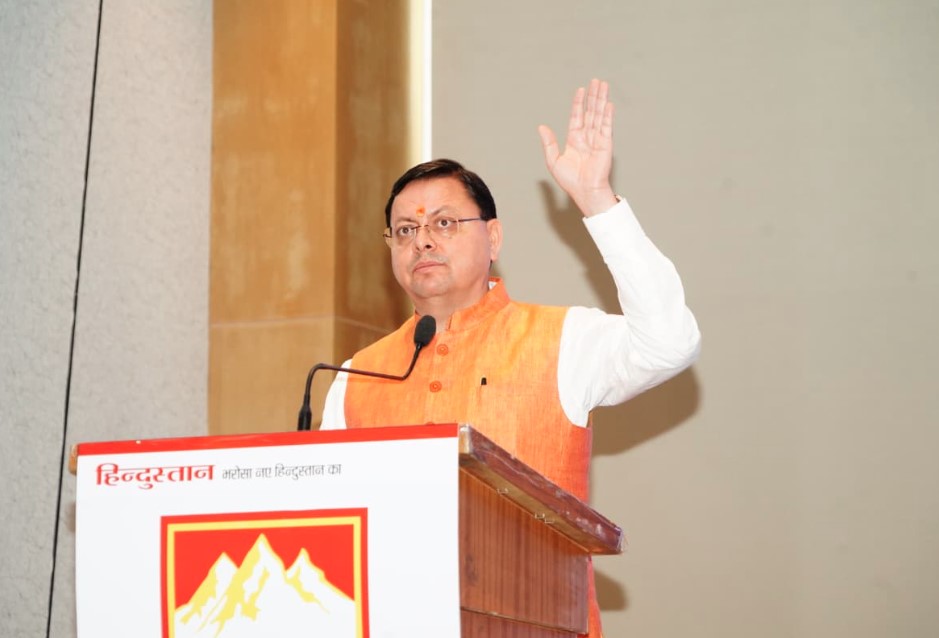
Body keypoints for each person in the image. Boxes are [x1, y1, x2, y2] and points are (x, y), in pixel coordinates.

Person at [321, 79, 700, 637]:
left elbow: (669, 341)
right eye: (405, 230)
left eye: (444, 223)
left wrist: (597, 199)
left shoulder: (562, 339)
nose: (422, 240)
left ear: (493, 238)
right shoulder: (355, 375)